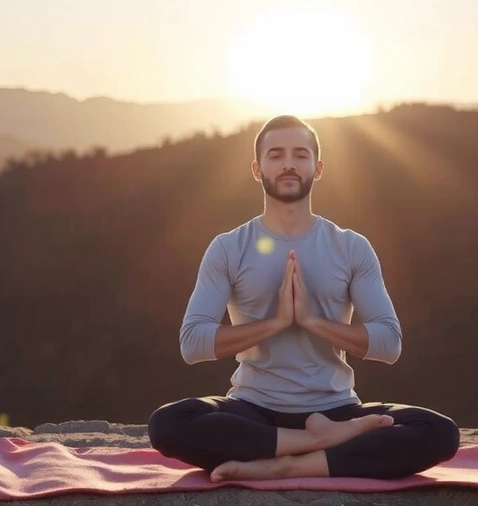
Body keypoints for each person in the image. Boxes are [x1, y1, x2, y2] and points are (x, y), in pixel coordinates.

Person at [148, 115, 460, 481]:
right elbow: (193, 343)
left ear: (318, 167)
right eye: (276, 155)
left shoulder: (350, 247)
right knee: (168, 423)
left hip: (336, 409)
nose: (289, 164)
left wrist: (312, 322)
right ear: (256, 168)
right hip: (252, 407)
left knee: (439, 431)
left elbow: (388, 344)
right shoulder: (229, 248)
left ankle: (288, 462)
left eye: (300, 154)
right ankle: (317, 445)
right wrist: (276, 323)